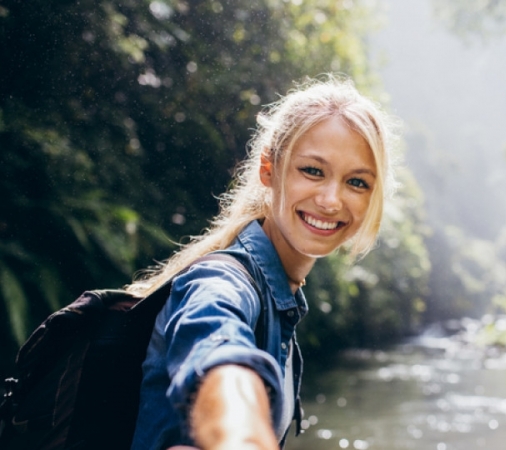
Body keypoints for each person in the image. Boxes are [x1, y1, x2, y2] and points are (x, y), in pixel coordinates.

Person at [126, 76, 398, 450]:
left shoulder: (283, 295)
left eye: (357, 182)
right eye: (313, 171)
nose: (332, 200)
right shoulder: (220, 280)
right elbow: (218, 354)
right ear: (268, 168)